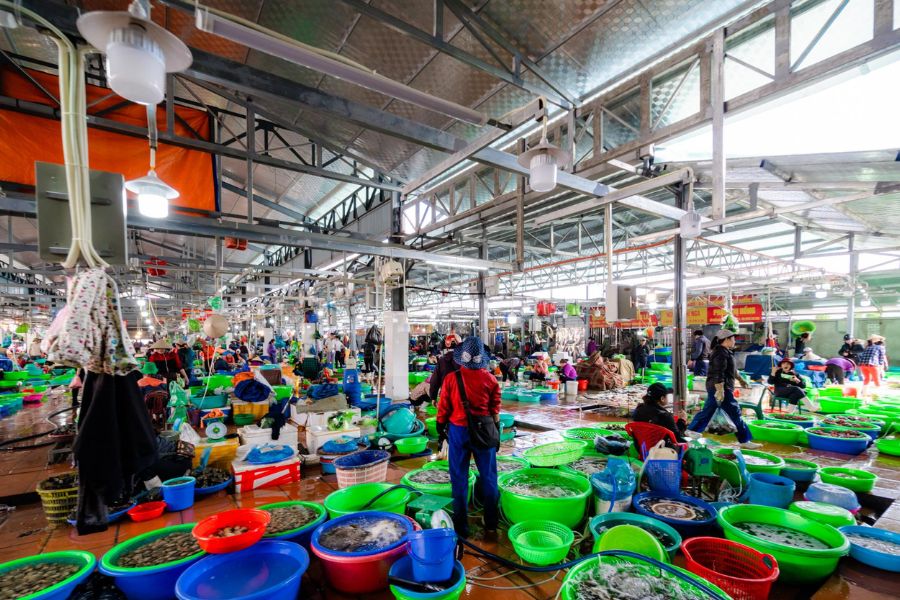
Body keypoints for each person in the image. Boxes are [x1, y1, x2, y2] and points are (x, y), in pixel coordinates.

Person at [436, 336, 500, 537]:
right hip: (484, 432)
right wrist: (496, 433)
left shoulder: (451, 379)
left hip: (459, 432)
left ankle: (462, 528)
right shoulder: (491, 379)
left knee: (459, 479)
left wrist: (440, 428)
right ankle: (491, 523)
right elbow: (495, 410)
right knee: (489, 478)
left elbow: (443, 408)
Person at [686, 329, 761, 448]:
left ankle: (692, 430)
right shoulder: (720, 353)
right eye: (733, 339)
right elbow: (718, 372)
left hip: (720, 387)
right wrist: (720, 390)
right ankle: (745, 440)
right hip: (721, 387)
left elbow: (732, 370)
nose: (734, 341)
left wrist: (741, 380)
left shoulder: (726, 352)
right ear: (726, 339)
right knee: (734, 412)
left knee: (709, 410)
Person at [429, 334, 461, 400]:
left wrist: (433, 397)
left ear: (446, 346)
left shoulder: (442, 361)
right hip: (462, 397)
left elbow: (434, 381)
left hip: (446, 396)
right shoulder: (466, 361)